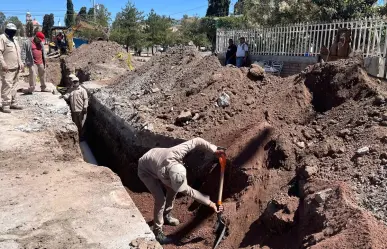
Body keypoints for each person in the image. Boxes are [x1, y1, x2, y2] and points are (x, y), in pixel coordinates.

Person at [138, 138, 225, 244]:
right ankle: (157, 231)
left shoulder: (178, 152)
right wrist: (209, 203)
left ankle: (166, 215)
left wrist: (214, 149)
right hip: (145, 170)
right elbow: (190, 192)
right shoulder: (162, 173)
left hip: (157, 158)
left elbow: (197, 140)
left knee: (173, 191)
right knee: (160, 199)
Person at [0, 23, 24, 113]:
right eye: (11, 31)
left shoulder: (14, 40)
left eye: (14, 31)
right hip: (7, 68)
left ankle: (13, 102)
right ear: (7, 30)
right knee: (7, 85)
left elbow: (18, 53)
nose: (13, 33)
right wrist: (3, 64)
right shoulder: (2, 38)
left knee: (15, 86)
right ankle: (5, 104)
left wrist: (21, 63)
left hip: (16, 67)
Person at [62, 74, 88, 141]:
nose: (75, 83)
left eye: (76, 81)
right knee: (76, 125)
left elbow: (86, 99)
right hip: (74, 111)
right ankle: (77, 138)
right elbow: (67, 97)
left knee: (82, 125)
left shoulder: (82, 90)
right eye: (74, 82)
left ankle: (83, 138)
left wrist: (85, 107)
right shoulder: (71, 90)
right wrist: (63, 96)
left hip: (81, 110)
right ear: (72, 82)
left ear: (78, 82)